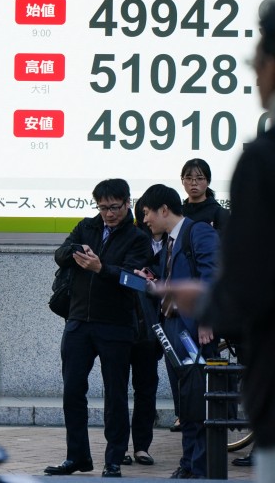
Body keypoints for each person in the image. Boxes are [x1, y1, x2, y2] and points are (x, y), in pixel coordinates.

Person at [196, 0, 275, 482]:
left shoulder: (270, 160)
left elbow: (248, 289)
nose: (254, 74)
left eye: (257, 62)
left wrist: (206, 302)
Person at [44, 179, 151, 478]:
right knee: (72, 391)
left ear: (128, 203)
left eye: (114, 207)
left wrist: (101, 268)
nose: (108, 214)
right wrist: (76, 251)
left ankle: (114, 459)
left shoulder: (137, 238)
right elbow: (60, 253)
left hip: (116, 325)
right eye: (102, 207)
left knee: (115, 394)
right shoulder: (86, 227)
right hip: (78, 321)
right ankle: (77, 456)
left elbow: (134, 279)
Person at [137, 184, 220, 479]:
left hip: (195, 331)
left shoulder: (199, 232)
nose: (145, 220)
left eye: (146, 213)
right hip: (174, 329)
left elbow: (212, 275)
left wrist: (207, 319)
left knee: (198, 401)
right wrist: (153, 279)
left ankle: (199, 467)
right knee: (185, 402)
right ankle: (189, 463)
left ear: (163, 210)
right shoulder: (170, 242)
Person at [121, 195, 164, 467]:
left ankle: (142, 446)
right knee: (117, 390)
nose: (148, 218)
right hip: (124, 323)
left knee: (146, 389)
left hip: (152, 328)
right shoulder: (133, 239)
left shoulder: (174, 242)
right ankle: (120, 446)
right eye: (145, 213)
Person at [179, 158, 231, 232]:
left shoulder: (220, 213)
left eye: (199, 178)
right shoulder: (178, 213)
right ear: (182, 181)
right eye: (188, 178)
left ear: (208, 181)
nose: (194, 183)